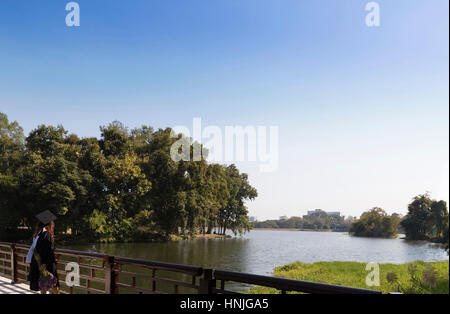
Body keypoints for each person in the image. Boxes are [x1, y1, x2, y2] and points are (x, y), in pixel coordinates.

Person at [28, 210, 60, 294]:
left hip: (39, 262)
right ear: (49, 223)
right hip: (47, 263)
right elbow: (48, 250)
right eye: (52, 222)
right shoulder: (47, 234)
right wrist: (45, 264)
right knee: (54, 285)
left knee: (43, 284)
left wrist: (40, 263)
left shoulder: (38, 234)